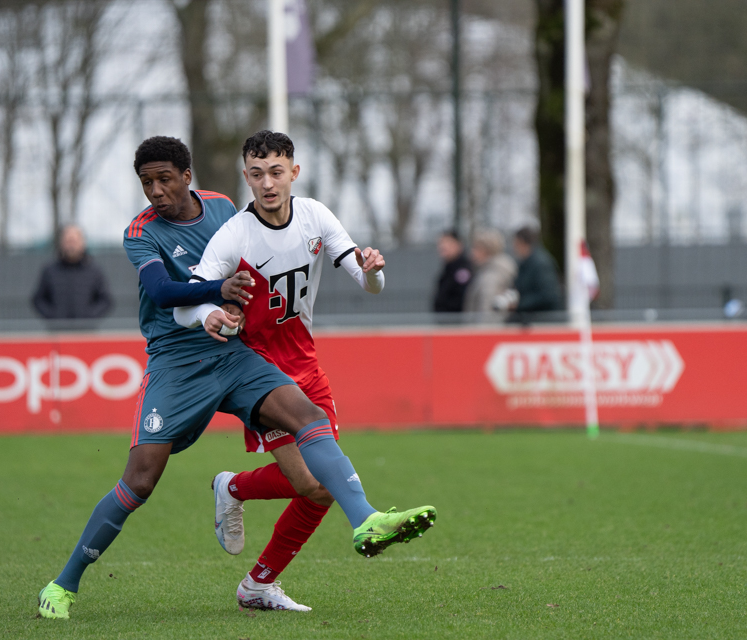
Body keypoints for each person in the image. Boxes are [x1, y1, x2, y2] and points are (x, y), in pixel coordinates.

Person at [37, 136, 436, 620]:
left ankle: (365, 520)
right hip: (177, 360)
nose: (156, 191)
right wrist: (214, 299)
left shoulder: (225, 209)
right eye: (146, 182)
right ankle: (64, 584)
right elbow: (165, 294)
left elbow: (261, 255)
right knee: (140, 482)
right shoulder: (140, 233)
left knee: (306, 420)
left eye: (164, 179)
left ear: (188, 177)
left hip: (235, 352)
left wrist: (350, 269)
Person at [174, 130, 434, 611]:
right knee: (317, 483)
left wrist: (373, 268)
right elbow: (185, 302)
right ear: (246, 177)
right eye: (256, 174)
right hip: (258, 374)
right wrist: (206, 313)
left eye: (276, 172)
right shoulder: (235, 235)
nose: (267, 183)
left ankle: (254, 567)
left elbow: (367, 280)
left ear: (294, 171)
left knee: (316, 489)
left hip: (307, 366)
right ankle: (367, 519)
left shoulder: (315, 215)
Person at [32, 224, 113, 321]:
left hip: (86, 332)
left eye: (74, 241)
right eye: (68, 241)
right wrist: (52, 316)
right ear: (61, 243)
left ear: (82, 243)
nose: (71, 245)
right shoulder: (50, 270)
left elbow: (105, 300)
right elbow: (38, 300)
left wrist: (90, 316)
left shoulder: (94, 271)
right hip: (57, 331)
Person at [509, 226, 563, 323]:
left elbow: (548, 295)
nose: (513, 246)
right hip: (531, 319)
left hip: (543, 321)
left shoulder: (540, 264)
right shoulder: (525, 263)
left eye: (515, 242)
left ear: (521, 242)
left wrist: (519, 304)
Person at [463, 228, 517, 321]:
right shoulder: (487, 271)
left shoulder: (492, 275)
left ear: (486, 250)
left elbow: (487, 312)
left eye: (476, 248)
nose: (472, 253)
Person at [432, 229, 473, 314]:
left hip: (456, 323)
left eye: (448, 243)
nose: (443, 246)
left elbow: (462, 299)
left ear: (458, 244)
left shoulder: (462, 268)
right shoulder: (448, 268)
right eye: (441, 243)